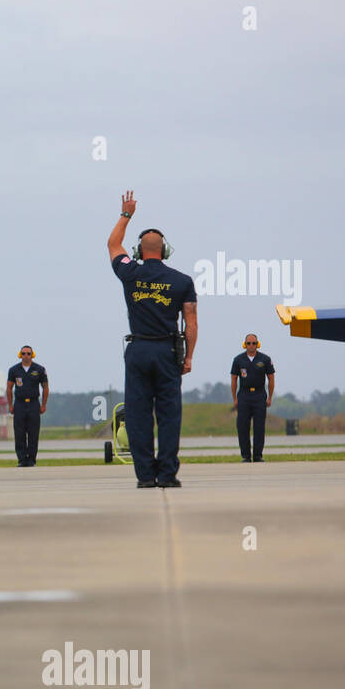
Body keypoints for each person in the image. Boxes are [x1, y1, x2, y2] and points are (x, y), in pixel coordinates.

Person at [107, 190, 198, 488]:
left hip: (138, 349)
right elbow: (191, 322)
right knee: (169, 415)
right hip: (167, 350)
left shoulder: (130, 273)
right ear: (165, 251)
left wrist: (126, 214)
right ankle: (168, 474)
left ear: (139, 251)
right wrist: (188, 357)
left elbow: (113, 244)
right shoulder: (182, 281)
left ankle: (145, 476)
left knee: (138, 414)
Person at [231, 334, 275, 462]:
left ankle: (257, 455)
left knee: (259, 426)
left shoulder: (265, 359)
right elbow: (234, 379)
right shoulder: (238, 360)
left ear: (258, 344)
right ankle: (245, 455)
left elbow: (271, 378)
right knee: (242, 426)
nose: (251, 346)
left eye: (254, 343)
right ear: (245, 344)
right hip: (244, 395)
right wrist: (235, 398)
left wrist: (270, 397)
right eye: (249, 343)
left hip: (259, 394)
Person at [6, 346, 49, 466]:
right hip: (19, 404)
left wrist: (44, 405)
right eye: (23, 353)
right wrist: (10, 405)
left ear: (32, 355)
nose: (26, 356)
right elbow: (9, 388)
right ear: (20, 355)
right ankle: (21, 459)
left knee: (33, 433)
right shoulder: (14, 370)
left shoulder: (40, 369)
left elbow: (45, 387)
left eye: (28, 353)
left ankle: (31, 459)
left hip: (34, 404)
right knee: (19, 433)